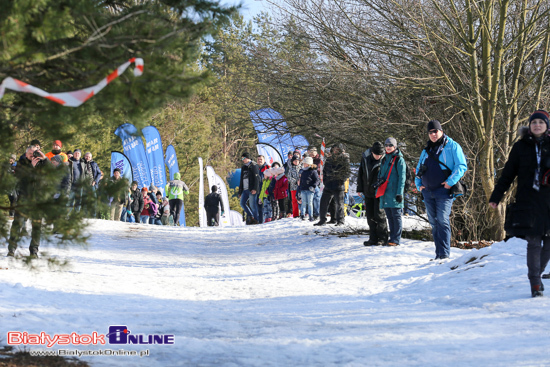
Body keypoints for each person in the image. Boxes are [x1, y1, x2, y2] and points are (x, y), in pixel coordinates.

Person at [489, 111, 550, 297]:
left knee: (548, 243)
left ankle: (536, 275)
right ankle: (535, 283)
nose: (537, 125)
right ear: (529, 126)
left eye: (541, 122)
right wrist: (496, 196)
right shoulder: (520, 147)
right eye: (534, 122)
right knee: (533, 241)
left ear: (547, 125)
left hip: (548, 202)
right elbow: (508, 174)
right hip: (528, 201)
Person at [416, 120, 467, 259]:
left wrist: (450, 182)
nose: (433, 134)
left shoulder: (452, 146)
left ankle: (444, 254)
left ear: (441, 131)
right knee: (433, 222)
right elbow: (419, 168)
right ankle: (438, 254)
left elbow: (461, 166)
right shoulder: (426, 149)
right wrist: (418, 184)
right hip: (427, 191)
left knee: (442, 220)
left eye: (435, 131)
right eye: (430, 132)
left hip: (443, 191)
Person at [7, 145, 50, 258]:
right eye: (30, 153)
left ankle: (34, 251)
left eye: (34, 153)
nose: (32, 155)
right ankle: (11, 249)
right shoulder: (21, 163)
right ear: (26, 154)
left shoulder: (42, 163)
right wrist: (31, 166)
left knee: (36, 226)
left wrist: (45, 158)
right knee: (17, 224)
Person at [357, 142, 389, 246]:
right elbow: (361, 173)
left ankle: (383, 238)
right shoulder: (365, 159)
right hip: (368, 191)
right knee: (370, 216)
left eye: (380, 154)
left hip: (380, 192)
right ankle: (373, 238)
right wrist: (359, 188)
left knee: (379, 215)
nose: (378, 156)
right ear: (372, 152)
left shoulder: (385, 159)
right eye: (377, 154)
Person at [378, 137, 406, 246]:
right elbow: (381, 174)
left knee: (396, 216)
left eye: (390, 145)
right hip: (386, 191)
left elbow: (402, 177)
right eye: (386, 145)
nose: (388, 147)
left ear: (395, 146)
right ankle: (392, 237)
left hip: (394, 192)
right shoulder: (384, 158)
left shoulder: (399, 159)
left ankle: (396, 239)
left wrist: (399, 193)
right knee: (389, 216)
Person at [315, 144, 350, 226]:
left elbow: (347, 172)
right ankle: (322, 220)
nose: (335, 151)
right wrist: (325, 181)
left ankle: (340, 221)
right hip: (328, 184)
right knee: (323, 202)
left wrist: (341, 181)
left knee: (339, 204)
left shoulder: (344, 160)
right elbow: (325, 171)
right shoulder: (329, 159)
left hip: (338, 185)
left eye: (337, 149)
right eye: (334, 149)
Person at [238, 152, 260, 224]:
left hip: (251, 189)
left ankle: (256, 219)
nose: (242, 160)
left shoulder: (254, 165)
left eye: (243, 158)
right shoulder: (243, 167)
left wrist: (255, 189)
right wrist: (240, 191)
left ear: (247, 158)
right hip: (244, 189)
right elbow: (241, 179)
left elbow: (257, 178)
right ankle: (250, 215)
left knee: (252, 205)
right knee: (242, 203)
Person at [298, 157, 320, 221]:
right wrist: (299, 190)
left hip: (310, 190)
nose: (304, 165)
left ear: (308, 164)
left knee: (310, 203)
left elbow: (317, 180)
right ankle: (302, 214)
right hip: (303, 189)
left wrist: (313, 186)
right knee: (304, 203)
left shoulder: (313, 171)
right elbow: (301, 181)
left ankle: (311, 215)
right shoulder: (303, 172)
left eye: (305, 163)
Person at [308, 146, 322, 220]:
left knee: (317, 197)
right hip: (310, 180)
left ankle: (317, 213)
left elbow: (320, 169)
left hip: (318, 180)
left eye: (312, 154)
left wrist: (314, 168)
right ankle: (312, 213)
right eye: (310, 154)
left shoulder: (320, 160)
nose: (312, 155)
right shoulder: (309, 160)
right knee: (311, 197)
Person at [256, 155, 270, 224]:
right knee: (259, 207)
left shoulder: (268, 167)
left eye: (261, 159)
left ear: (264, 160)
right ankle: (260, 221)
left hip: (265, 190)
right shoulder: (256, 168)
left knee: (266, 207)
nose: (259, 161)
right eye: (258, 159)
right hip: (258, 190)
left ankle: (266, 220)